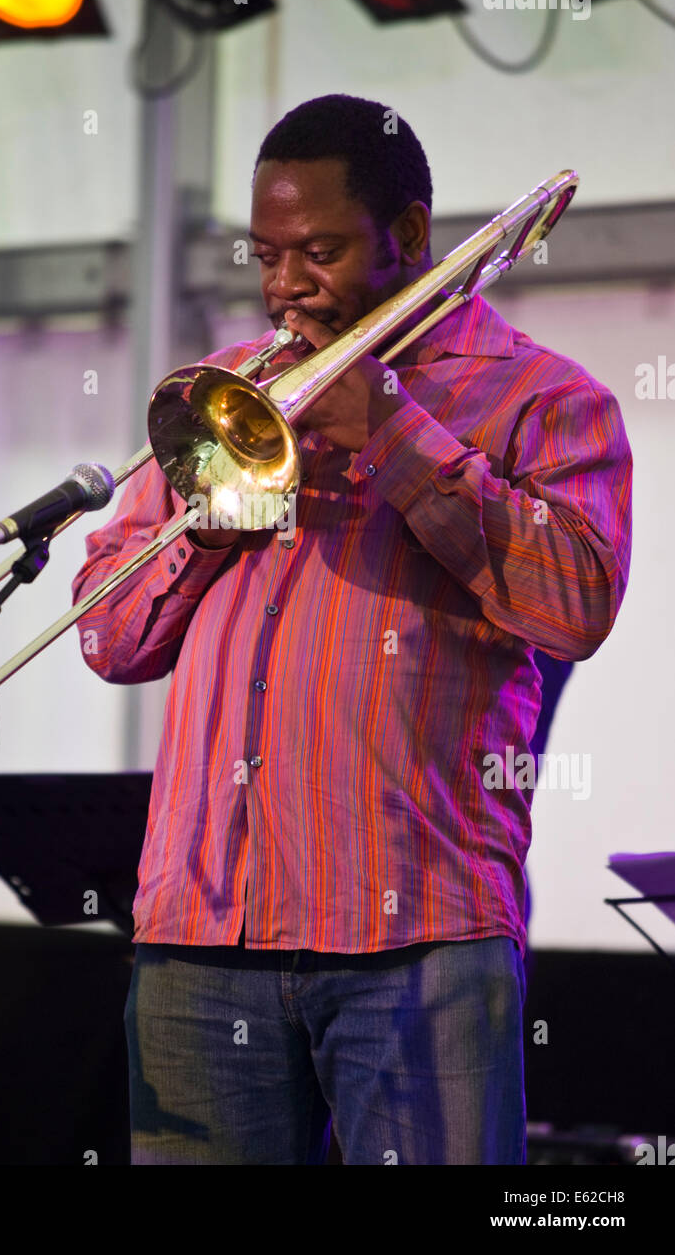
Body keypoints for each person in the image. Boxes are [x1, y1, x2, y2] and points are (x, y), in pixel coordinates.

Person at [72, 94, 632, 1166]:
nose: (284, 284)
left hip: (416, 936)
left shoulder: (547, 401)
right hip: (203, 926)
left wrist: (395, 435)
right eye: (268, 254)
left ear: (409, 237)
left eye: (318, 251)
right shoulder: (228, 392)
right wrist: (211, 522)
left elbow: (577, 605)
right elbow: (111, 638)